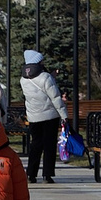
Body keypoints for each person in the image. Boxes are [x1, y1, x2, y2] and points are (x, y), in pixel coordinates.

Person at [18, 50, 64, 185]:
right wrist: (64, 116)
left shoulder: (23, 80)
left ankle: (31, 174)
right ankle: (47, 175)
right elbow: (55, 98)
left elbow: (37, 89)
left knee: (35, 145)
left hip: (33, 117)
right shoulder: (46, 77)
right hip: (50, 116)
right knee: (49, 145)